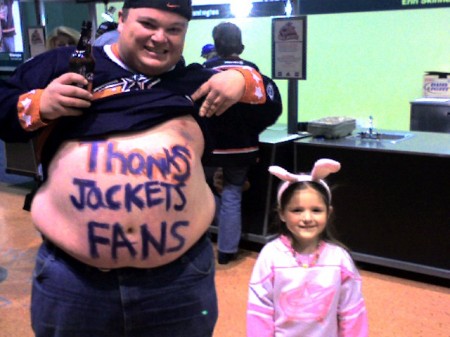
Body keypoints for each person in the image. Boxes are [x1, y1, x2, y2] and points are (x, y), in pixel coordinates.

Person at [0, 0, 282, 336]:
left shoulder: (194, 82)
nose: (160, 38)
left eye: (174, 29)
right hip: (75, 282)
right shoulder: (66, 66)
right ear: (121, 20)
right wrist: (40, 104)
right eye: (148, 24)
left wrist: (242, 78)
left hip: (178, 283)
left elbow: (269, 101)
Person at [247, 159, 369, 337]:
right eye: (297, 210)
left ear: (329, 213)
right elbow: (260, 311)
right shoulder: (271, 256)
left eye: (316, 210)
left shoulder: (339, 259)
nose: (307, 217)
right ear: (282, 213)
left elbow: (352, 313)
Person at [203, 22, 279, 264]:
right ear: (241, 46)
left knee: (199, 192)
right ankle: (226, 252)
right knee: (232, 194)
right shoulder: (255, 75)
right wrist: (252, 131)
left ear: (216, 45)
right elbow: (273, 108)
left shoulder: (204, 72)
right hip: (243, 148)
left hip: (209, 149)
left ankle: (197, 246)